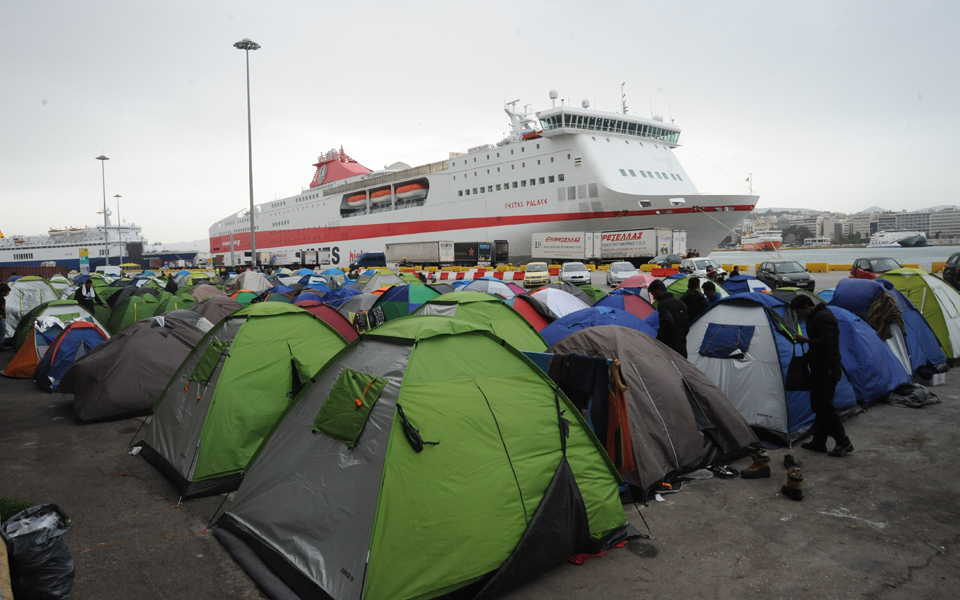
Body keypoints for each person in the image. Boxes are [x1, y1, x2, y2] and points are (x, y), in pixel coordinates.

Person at [790, 295, 854, 457]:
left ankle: (843, 442)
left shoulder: (822, 318)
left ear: (807, 307)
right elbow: (821, 344)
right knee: (819, 405)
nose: (800, 316)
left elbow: (827, 344)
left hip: (827, 369)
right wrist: (810, 353)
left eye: (800, 312)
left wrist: (806, 340)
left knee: (826, 406)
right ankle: (819, 441)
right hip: (821, 367)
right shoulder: (818, 316)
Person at [649, 279, 690, 358]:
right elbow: (687, 324)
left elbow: (668, 321)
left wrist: (660, 338)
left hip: (669, 346)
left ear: (658, 292)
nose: (654, 298)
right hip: (682, 345)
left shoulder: (663, 304)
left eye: (653, 294)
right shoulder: (681, 303)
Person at [0, 283, 10, 350]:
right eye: (7, 292)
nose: (8, 294)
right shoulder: (1, 298)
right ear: (3, 292)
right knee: (2, 332)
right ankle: (1, 346)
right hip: (1, 318)